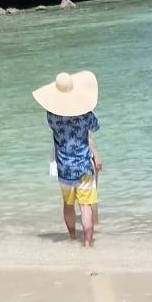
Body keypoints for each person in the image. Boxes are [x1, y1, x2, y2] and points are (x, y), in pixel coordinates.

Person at [33, 70, 101, 248]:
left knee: (68, 205)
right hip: (84, 167)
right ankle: (87, 242)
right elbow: (96, 127)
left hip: (64, 168)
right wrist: (86, 110)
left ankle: (72, 237)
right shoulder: (85, 114)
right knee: (85, 206)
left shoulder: (52, 116)